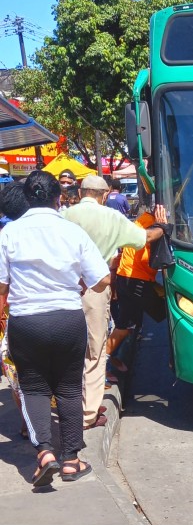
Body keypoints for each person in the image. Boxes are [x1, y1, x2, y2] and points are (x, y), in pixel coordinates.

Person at [0, 170, 110, 486]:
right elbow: (103, 279)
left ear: (26, 198)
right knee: (69, 389)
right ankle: (72, 460)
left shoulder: (9, 233)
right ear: (58, 197)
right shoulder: (72, 232)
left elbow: (1, 287)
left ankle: (45, 453)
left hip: (26, 320)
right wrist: (76, 282)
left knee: (33, 387)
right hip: (67, 319)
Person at [64, 174, 168, 430]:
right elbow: (143, 238)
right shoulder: (111, 217)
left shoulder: (64, 216)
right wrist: (163, 228)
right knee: (95, 349)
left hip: (63, 288)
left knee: (68, 348)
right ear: (104, 195)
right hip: (95, 288)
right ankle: (88, 411)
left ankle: (66, 402)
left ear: (80, 192)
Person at [106, 205, 166, 371]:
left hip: (127, 278)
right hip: (137, 280)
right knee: (168, 310)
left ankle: (108, 362)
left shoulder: (142, 222)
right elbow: (146, 258)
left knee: (126, 326)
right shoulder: (151, 226)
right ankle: (102, 365)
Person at [0, 183, 31, 438]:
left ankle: (27, 422)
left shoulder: (7, 232)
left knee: (15, 371)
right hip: (57, 313)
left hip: (13, 314)